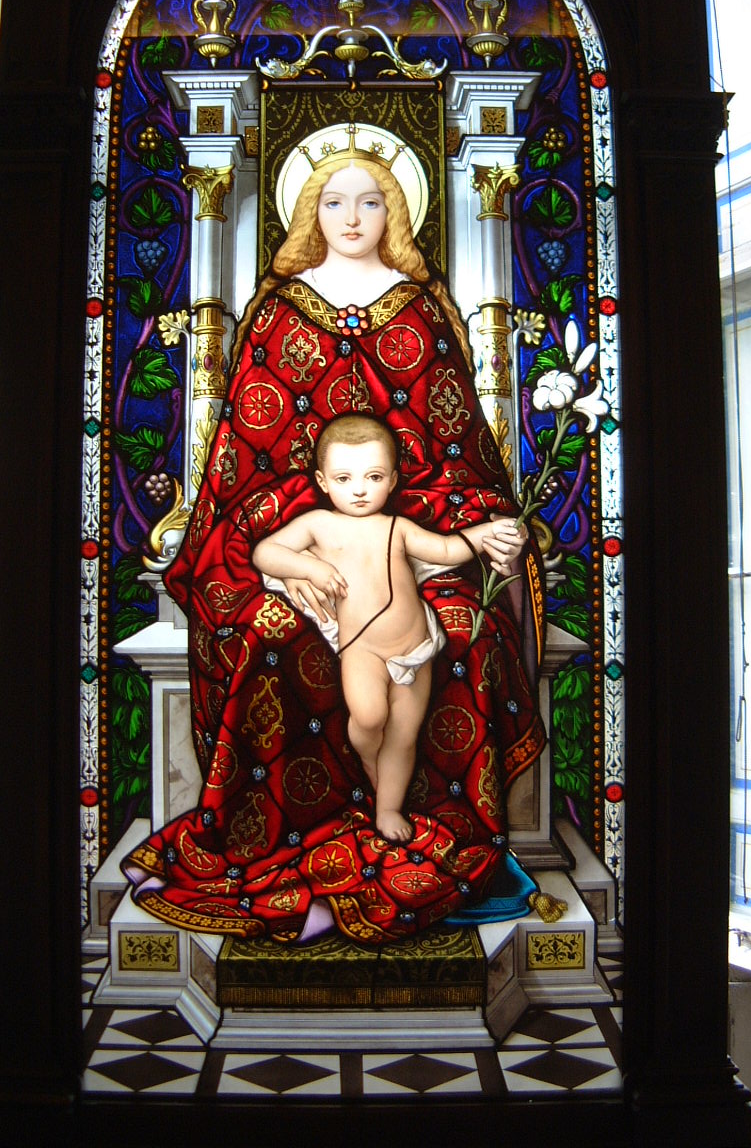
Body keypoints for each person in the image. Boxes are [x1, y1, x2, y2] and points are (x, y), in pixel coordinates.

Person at [123, 132, 547, 946]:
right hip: (299, 530)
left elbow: (454, 449)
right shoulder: (279, 311)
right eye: (335, 201)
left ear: (397, 212)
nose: (353, 217)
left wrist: (477, 524)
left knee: (468, 631)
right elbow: (248, 457)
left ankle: (417, 816)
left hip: (408, 536)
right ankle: (281, 834)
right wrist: (292, 554)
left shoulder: (420, 309)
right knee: (266, 635)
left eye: (372, 201)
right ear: (310, 213)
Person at [252, 414, 528, 844]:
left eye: (374, 476)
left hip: (417, 646)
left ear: (394, 480)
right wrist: (310, 568)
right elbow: (266, 553)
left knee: (402, 735)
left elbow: (446, 548)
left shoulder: (398, 528)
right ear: (323, 482)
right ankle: (370, 762)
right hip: (361, 649)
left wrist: (487, 532)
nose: (360, 490)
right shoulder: (318, 525)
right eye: (344, 478)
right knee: (368, 717)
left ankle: (388, 808)